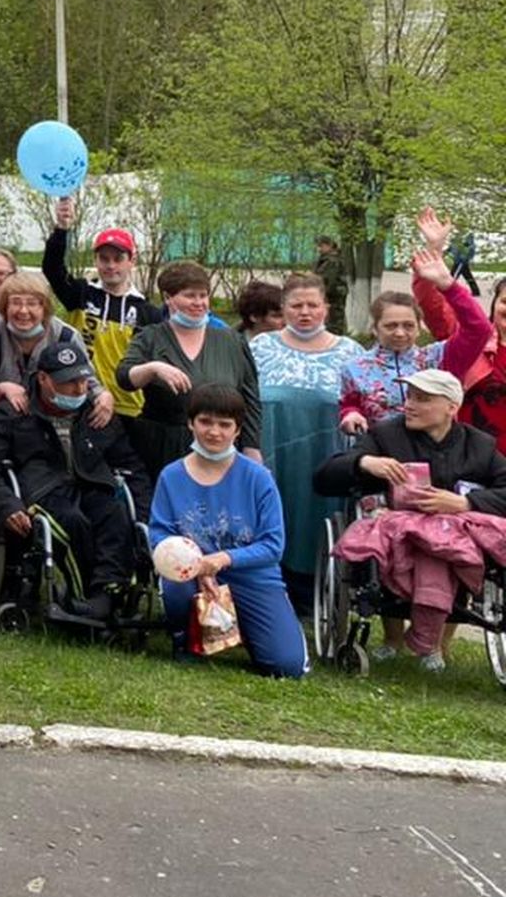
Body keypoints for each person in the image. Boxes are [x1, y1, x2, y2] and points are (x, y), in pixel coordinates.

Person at [314, 368, 506, 672]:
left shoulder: (479, 445)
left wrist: (464, 502)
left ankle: (437, 647)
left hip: (456, 536)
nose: (410, 405)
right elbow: (324, 479)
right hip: (399, 533)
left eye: (423, 399)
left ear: (451, 408)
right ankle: (394, 640)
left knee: (447, 545)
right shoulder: (385, 435)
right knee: (414, 540)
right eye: (411, 397)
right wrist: (364, 461)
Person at [0, 341, 147, 621]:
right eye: (69, 382)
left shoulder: (97, 413)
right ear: (44, 379)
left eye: (83, 380)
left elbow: (132, 465)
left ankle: (109, 592)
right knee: (71, 523)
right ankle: (82, 597)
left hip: (89, 484)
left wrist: (144, 516)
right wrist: (6, 505)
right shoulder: (13, 412)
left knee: (115, 514)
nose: (79, 389)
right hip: (41, 491)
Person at [150, 385, 308, 678]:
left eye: (225, 425)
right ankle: (186, 640)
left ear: (237, 431)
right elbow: (159, 536)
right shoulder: (171, 476)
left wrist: (221, 560)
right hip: (191, 574)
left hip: (253, 576)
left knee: (287, 666)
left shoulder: (258, 478)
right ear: (191, 423)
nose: (214, 432)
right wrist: (197, 567)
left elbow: (273, 545)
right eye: (206, 422)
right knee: (175, 584)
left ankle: (246, 629)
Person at [249, 271, 364, 609]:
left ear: (325, 308)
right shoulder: (261, 346)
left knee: (318, 517)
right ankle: (267, 588)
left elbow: (361, 402)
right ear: (283, 308)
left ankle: (316, 591)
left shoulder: (350, 351)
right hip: (271, 452)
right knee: (272, 515)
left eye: (312, 305)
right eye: (296, 305)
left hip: (325, 454)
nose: (305, 312)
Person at [42, 199, 163, 457]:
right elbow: (52, 269)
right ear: (96, 260)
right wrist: (62, 228)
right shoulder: (81, 294)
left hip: (131, 409)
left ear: (132, 260)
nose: (111, 266)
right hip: (87, 402)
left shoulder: (147, 312)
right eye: (104, 258)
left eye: (118, 258)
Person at [116, 262, 261, 475]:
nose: (199, 303)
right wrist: (153, 368)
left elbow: (251, 399)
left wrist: (252, 447)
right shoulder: (151, 337)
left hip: (219, 447)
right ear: (168, 298)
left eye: (203, 296)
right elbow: (124, 377)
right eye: (190, 296)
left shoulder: (231, 341)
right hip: (163, 448)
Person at [338, 245, 492, 432]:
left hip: (436, 454)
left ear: (419, 328)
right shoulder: (354, 368)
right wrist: (350, 414)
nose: (400, 333)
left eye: (408, 325)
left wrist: (448, 286)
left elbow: (479, 329)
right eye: (391, 326)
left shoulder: (438, 358)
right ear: (375, 329)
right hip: (379, 455)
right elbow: (349, 404)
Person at [0, 272, 109, 435]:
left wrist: (102, 395)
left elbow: (89, 382)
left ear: (44, 308)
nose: (23, 311)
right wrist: (2, 388)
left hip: (43, 428)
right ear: (5, 306)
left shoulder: (66, 335)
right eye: (15, 303)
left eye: (32, 304)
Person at [413, 208, 506, 443]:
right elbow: (431, 303)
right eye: (505, 301)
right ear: (495, 303)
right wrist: (434, 251)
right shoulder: (471, 339)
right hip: (472, 457)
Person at [313, 235, 349, 324]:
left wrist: (320, 294)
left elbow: (329, 281)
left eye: (321, 246)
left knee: (333, 324)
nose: (319, 249)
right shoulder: (325, 259)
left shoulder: (332, 261)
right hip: (329, 297)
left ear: (329, 245)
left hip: (333, 298)